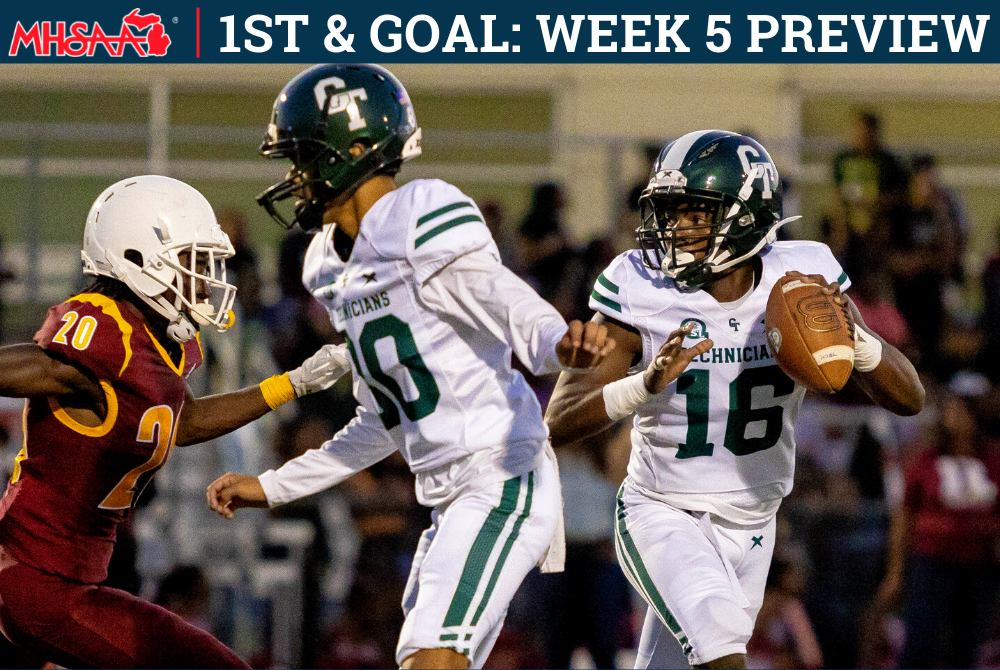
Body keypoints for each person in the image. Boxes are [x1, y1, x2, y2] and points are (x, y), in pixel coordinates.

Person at [205, 64, 615, 670]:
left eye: (306, 157)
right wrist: (273, 486)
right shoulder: (327, 265)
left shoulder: (420, 216)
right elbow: (380, 421)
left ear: (357, 152)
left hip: (501, 477)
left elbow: (501, 298)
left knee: (433, 659)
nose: (295, 176)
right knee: (423, 660)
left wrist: (560, 344)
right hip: (449, 499)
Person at [545, 130, 925, 669]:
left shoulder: (804, 279)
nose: (674, 229)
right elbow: (556, 421)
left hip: (754, 522)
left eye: (694, 214)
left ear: (746, 214)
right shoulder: (641, 287)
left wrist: (855, 340)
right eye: (670, 212)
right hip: (664, 512)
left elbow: (909, 397)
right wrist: (644, 384)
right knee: (721, 648)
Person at [0, 175, 351, 669]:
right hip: (40, 583)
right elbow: (42, 365)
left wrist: (293, 383)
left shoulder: (154, 340)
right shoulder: (105, 329)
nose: (207, 279)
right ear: (138, 259)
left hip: (66, 581)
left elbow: (183, 421)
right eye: (193, 261)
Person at [873, 392, 1000, 668]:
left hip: (979, 565)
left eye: (963, 413)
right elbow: (904, 515)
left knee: (968, 643)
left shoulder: (993, 458)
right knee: (921, 637)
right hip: (933, 562)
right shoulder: (927, 460)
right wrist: (895, 571)